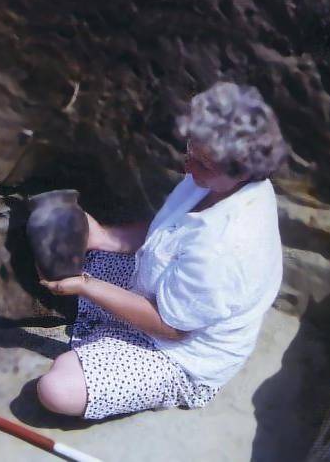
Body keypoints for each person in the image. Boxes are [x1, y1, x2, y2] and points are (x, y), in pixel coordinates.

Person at [36, 81, 288, 420]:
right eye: (190, 150)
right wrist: (104, 238)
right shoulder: (215, 181)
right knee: (66, 238)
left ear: (241, 171)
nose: (188, 167)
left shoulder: (225, 248)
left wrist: (86, 285)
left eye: (203, 163)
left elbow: (172, 328)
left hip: (180, 351)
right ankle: (98, 323)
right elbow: (168, 233)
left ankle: (119, 348)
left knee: (58, 388)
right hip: (159, 288)